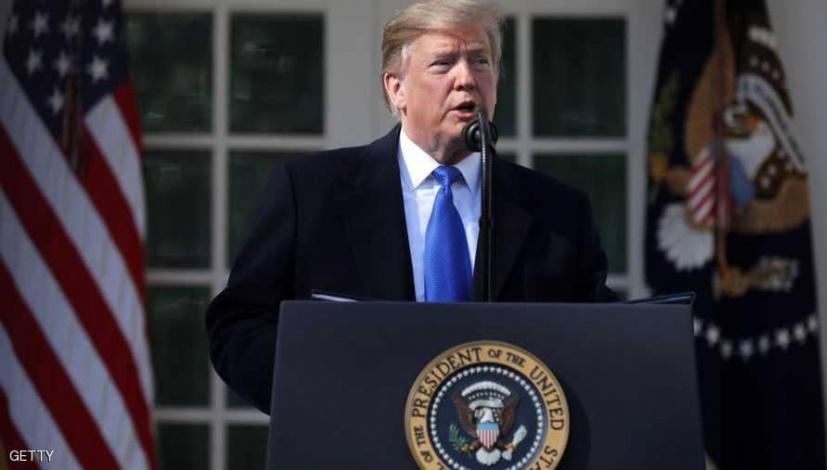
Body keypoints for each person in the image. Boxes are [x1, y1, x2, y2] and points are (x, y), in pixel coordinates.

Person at [206, 0, 616, 414]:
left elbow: (598, 340)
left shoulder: (557, 211)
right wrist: (321, 399)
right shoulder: (312, 193)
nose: (466, 79)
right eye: (443, 64)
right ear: (396, 89)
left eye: (480, 61)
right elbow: (240, 326)